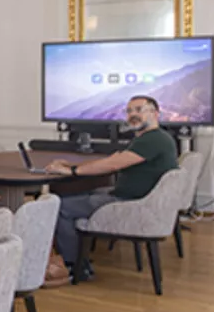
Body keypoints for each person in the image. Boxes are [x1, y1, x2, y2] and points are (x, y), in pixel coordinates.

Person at [44, 95, 179, 280]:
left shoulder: (152, 140)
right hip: (135, 198)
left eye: (139, 110)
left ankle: (75, 266)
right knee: (78, 194)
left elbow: (113, 165)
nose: (133, 115)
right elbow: (114, 159)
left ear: (155, 113)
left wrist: (73, 171)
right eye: (129, 111)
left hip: (130, 202)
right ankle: (73, 257)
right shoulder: (155, 138)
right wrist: (69, 165)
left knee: (61, 207)